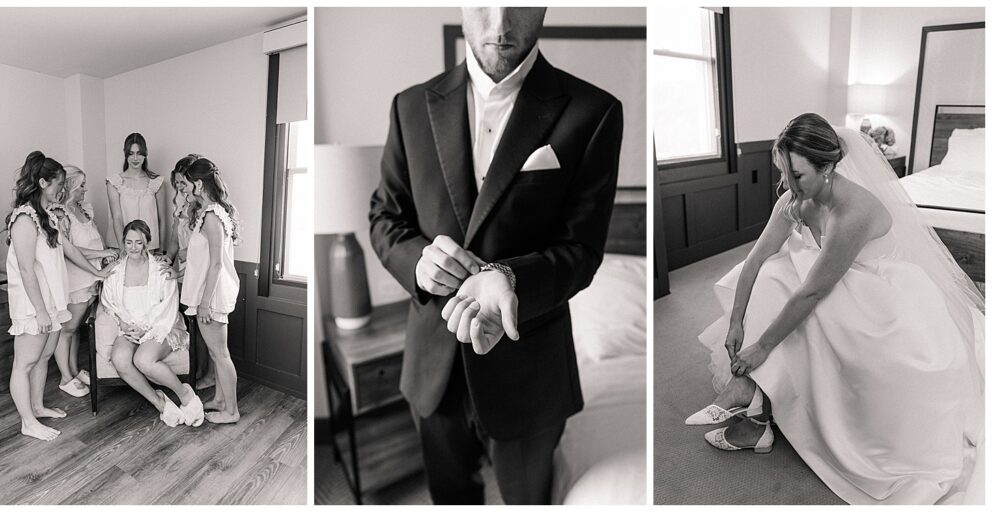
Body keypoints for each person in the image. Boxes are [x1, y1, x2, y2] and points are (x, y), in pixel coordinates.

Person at [368, 7, 623, 504]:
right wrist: (417, 261)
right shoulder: (409, 106)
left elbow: (583, 249)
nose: (500, 25)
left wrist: (507, 275)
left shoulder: (594, 111)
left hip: (531, 371)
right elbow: (384, 216)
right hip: (432, 366)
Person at [687, 113, 984, 504]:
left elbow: (812, 293)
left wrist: (760, 347)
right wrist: (736, 324)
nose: (789, 186)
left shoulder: (852, 211)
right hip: (821, 280)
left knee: (797, 304)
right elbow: (755, 258)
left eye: (798, 176)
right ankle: (756, 408)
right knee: (771, 275)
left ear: (827, 167)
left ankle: (750, 399)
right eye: (783, 174)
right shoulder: (793, 199)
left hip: (877, 297)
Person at [5, 151, 117, 441]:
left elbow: (70, 250)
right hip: (34, 306)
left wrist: (99, 274)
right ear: (42, 182)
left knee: (43, 358)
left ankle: (38, 406)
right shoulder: (23, 219)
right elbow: (27, 270)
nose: (63, 190)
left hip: (53, 302)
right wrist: (40, 310)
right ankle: (27, 421)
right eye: (59, 184)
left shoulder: (48, 217)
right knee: (24, 363)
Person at [101, 220, 201, 427]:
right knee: (119, 359)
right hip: (129, 327)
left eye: (139, 242)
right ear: (123, 243)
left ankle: (185, 395)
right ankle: (160, 403)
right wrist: (125, 324)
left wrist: (145, 328)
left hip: (161, 326)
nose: (133, 247)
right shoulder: (116, 271)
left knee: (143, 360)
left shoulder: (161, 269)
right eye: (129, 242)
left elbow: (168, 307)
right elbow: (109, 303)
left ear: (147, 241)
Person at [48, 166, 119, 398]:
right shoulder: (60, 215)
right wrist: (101, 255)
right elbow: (70, 251)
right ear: (68, 187)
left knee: (76, 328)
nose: (85, 190)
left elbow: (92, 239)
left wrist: (104, 255)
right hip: (76, 279)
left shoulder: (83, 209)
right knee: (67, 329)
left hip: (91, 276)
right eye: (81, 186)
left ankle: (74, 369)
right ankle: (65, 378)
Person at [180, 157, 240, 424]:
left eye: (187, 184)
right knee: (217, 353)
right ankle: (219, 399)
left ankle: (231, 410)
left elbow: (216, 264)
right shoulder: (208, 212)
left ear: (199, 184)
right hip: (209, 292)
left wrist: (204, 303)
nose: (184, 189)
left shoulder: (213, 216)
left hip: (212, 296)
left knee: (220, 354)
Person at [165, 154, 215, 390]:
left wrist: (187, 254)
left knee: (205, 326)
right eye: (176, 184)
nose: (179, 188)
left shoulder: (203, 208)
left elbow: (203, 246)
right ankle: (194, 368)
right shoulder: (179, 203)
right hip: (183, 271)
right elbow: (176, 238)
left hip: (199, 272)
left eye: (182, 183)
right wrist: (169, 256)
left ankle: (209, 373)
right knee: (190, 323)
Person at [107, 133, 169, 251]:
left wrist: (161, 250)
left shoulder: (157, 182)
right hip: (122, 247)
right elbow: (117, 218)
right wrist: (123, 249)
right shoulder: (114, 183)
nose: (135, 158)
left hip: (149, 247)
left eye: (139, 153)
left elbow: (162, 219)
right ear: (125, 154)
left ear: (145, 153)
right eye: (131, 154)